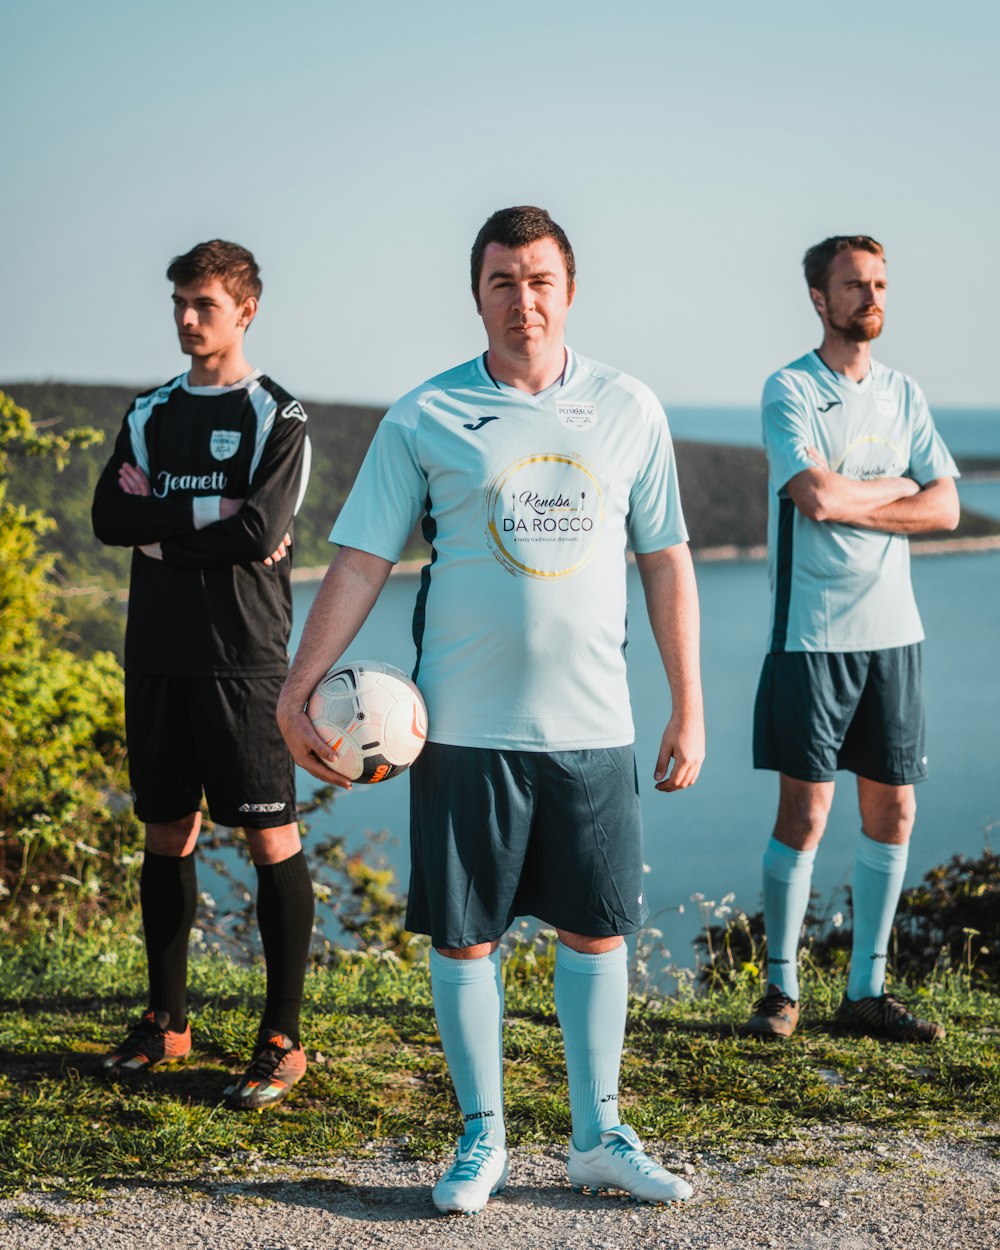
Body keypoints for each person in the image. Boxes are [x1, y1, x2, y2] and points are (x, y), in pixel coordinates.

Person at [278, 206, 705, 1213]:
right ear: (476, 294)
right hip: (461, 729)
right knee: (464, 936)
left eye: (541, 278)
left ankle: (600, 1135)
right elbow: (359, 561)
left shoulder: (628, 406)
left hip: (595, 728)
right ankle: (484, 1138)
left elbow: (667, 561)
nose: (524, 298)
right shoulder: (425, 416)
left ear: (570, 288)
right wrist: (299, 690)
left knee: (597, 932)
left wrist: (689, 701)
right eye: (503, 280)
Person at [92, 239, 314, 1110]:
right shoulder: (149, 411)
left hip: (244, 662)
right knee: (166, 833)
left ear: (245, 310)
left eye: (205, 306)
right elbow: (111, 515)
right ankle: (167, 1020)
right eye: (179, 303)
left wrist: (164, 522)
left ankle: (282, 1037)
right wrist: (204, 510)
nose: (187, 319)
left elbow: (259, 533)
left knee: (270, 839)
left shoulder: (278, 416)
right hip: (156, 654)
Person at [745, 234, 960, 1043]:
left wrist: (871, 493)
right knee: (804, 816)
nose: (871, 298)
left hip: (894, 637)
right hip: (811, 635)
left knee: (894, 812)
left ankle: (865, 991)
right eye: (854, 285)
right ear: (819, 298)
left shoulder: (905, 393)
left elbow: (945, 510)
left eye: (878, 284)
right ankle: (779, 990)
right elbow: (816, 499)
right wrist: (899, 485)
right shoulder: (790, 389)